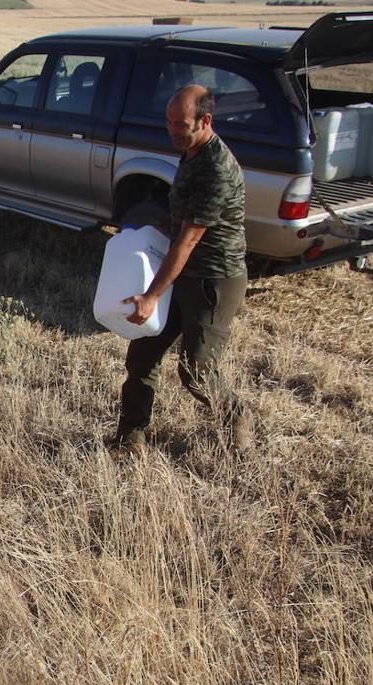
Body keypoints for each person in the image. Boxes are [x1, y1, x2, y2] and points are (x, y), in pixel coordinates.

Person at [112, 85, 252, 457]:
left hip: (213, 280)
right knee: (142, 355)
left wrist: (152, 295)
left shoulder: (217, 168)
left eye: (181, 124)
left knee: (197, 371)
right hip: (183, 272)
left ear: (206, 121)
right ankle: (131, 439)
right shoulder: (191, 151)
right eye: (169, 122)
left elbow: (189, 240)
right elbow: (179, 224)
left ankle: (236, 418)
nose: (172, 130)